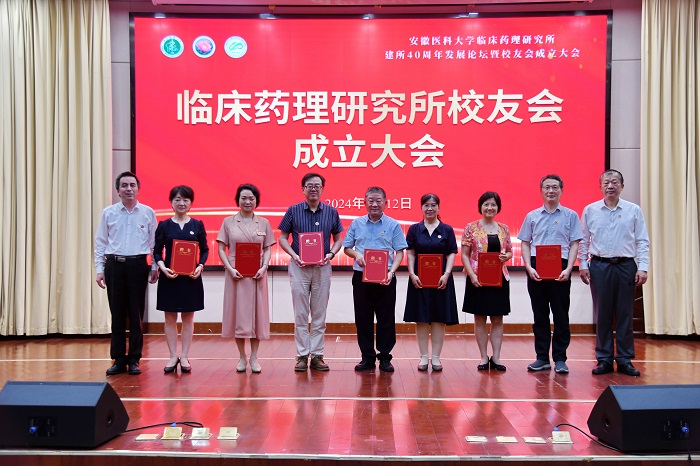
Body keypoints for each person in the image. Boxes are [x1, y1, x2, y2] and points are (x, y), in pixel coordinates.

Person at [579, 169, 649, 376]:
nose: (610, 186)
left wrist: (643, 266)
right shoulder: (590, 210)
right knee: (602, 314)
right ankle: (604, 359)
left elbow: (642, 240)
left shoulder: (633, 210)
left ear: (622, 186)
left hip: (626, 266)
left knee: (625, 313)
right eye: (606, 182)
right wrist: (582, 265)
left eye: (615, 182)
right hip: (599, 266)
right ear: (600, 186)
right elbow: (583, 241)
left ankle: (625, 359)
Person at [95, 171, 158, 375]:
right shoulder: (109, 213)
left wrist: (154, 266)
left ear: (138, 189)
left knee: (136, 314)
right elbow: (100, 242)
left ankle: (134, 359)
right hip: (114, 266)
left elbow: (153, 243)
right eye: (124, 185)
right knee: (117, 314)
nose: (129, 189)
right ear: (118, 190)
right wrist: (99, 269)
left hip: (138, 266)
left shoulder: (148, 212)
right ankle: (119, 359)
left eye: (132, 185)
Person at [518, 175, 582, 374]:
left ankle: (560, 358)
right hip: (536, 267)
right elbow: (525, 243)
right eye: (547, 187)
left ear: (561, 190)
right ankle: (542, 358)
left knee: (561, 315)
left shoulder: (571, 216)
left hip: (561, 268)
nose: (551, 191)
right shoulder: (532, 216)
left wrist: (569, 268)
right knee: (540, 315)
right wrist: (528, 267)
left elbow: (574, 244)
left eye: (555, 187)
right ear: (541, 191)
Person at [278, 173, 343, 372]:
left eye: (317, 186)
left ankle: (317, 355)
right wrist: (294, 255)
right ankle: (301, 355)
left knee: (319, 314)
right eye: (309, 186)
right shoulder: (293, 211)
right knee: (300, 313)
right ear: (303, 189)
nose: (313, 189)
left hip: (322, 268)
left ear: (322, 189)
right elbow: (282, 238)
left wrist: (331, 254)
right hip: (299, 268)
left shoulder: (331, 212)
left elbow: (338, 239)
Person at [343, 186, 408, 373]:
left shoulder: (393, 225)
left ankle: (385, 357)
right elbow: (347, 248)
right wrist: (356, 254)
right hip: (361, 277)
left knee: (386, 318)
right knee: (363, 318)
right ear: (364, 202)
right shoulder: (356, 223)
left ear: (385, 203)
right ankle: (367, 357)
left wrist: (392, 272)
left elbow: (400, 252)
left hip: (386, 277)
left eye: (378, 201)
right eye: (371, 201)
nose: (374, 204)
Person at [218, 184, 276, 374]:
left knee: (257, 316)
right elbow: (221, 248)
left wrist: (264, 267)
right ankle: (242, 357)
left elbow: (268, 248)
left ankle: (254, 357)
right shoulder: (228, 222)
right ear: (238, 200)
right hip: (236, 274)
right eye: (244, 198)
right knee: (238, 315)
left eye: (251, 198)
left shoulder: (264, 223)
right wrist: (230, 268)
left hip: (258, 273)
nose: (247, 201)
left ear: (256, 201)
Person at [153, 185, 209, 374]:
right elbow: (157, 251)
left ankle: (184, 356)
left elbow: (205, 250)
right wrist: (162, 268)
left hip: (191, 278)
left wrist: (200, 266)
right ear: (171, 202)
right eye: (177, 199)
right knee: (169, 318)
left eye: (185, 200)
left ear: (191, 203)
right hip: (170, 277)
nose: (181, 203)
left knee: (188, 317)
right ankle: (172, 356)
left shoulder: (197, 225)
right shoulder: (164, 225)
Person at [403, 193, 459, 372]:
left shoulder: (447, 229)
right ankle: (423, 357)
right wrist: (412, 274)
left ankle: (436, 357)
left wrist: (446, 274)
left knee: (438, 319)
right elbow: (410, 253)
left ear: (438, 208)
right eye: (426, 205)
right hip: (419, 280)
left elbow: (451, 253)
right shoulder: (414, 229)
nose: (430, 208)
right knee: (421, 319)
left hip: (441, 280)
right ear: (421, 208)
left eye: (433, 205)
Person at [461, 191, 513, 372]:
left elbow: (509, 251)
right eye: (486, 204)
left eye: (493, 204)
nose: (490, 208)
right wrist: (472, 275)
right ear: (480, 207)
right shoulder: (471, 227)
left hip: (499, 279)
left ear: (498, 207)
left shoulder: (504, 229)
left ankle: (496, 357)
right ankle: (483, 357)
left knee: (497, 319)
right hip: (477, 278)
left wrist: (507, 256)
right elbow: (465, 254)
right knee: (480, 318)